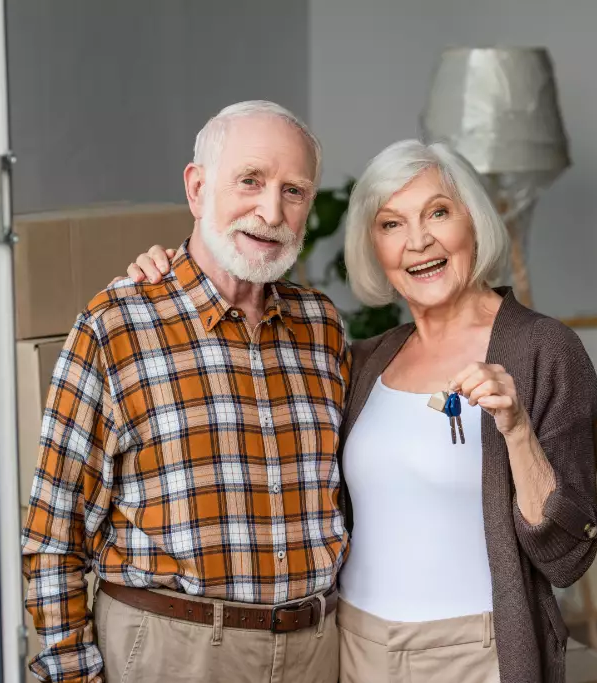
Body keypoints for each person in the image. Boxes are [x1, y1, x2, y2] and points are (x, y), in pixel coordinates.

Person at [125, 139, 597, 683]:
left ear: (474, 222)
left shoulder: (544, 352)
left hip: (476, 653)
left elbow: (568, 555)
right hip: (354, 649)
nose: (418, 242)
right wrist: (173, 271)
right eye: (391, 224)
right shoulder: (365, 358)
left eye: (438, 213)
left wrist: (516, 431)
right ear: (373, 247)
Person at [21, 101, 351, 683]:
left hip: (316, 650)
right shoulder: (115, 326)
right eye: (250, 180)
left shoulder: (322, 327)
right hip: (173, 652)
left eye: (294, 191)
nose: (271, 210)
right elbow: (54, 537)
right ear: (198, 189)